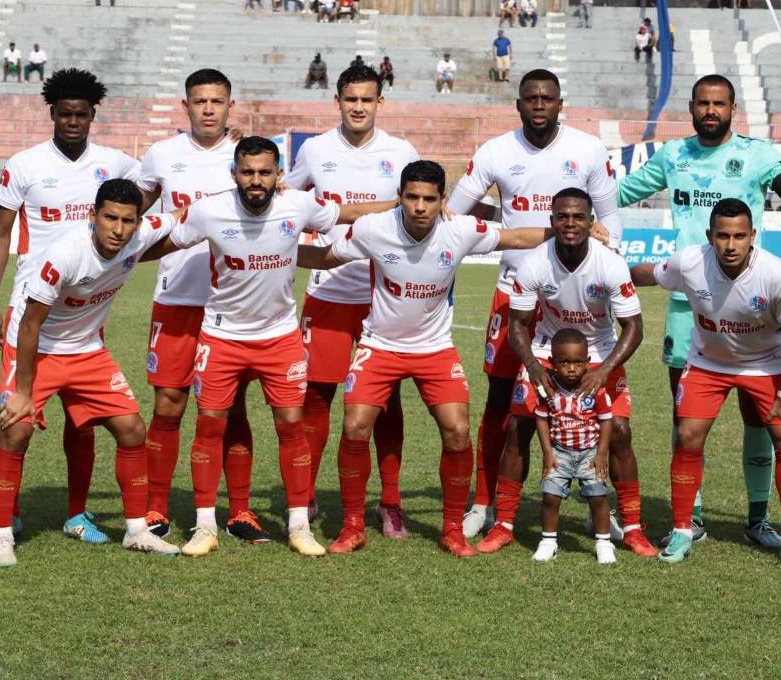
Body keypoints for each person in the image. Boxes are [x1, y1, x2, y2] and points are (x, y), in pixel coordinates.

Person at [145, 137, 394, 558]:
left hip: (280, 338)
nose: (255, 180)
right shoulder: (209, 209)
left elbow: (347, 213)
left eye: (264, 172)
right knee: (210, 426)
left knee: (291, 426)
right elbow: (168, 243)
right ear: (234, 174)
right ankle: (204, 524)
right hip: (222, 337)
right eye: (247, 172)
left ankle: (298, 524)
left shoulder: (298, 205)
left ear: (279, 174)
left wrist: (402, 207)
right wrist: (112, 256)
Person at [295, 160, 554, 557]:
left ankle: (452, 529)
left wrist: (571, 229)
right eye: (412, 197)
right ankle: (352, 526)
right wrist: (267, 251)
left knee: (457, 430)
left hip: (434, 348)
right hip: (379, 345)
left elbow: (517, 237)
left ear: (442, 200)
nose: (419, 206)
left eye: (429, 199)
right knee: (355, 426)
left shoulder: (461, 230)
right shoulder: (373, 228)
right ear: (399, 197)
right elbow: (328, 257)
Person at [615, 74, 781, 549]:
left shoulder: (759, 154)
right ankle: (692, 518)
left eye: (719, 103)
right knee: (687, 421)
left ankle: (758, 519)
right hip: (689, 306)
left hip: (752, 307)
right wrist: (578, 217)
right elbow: (615, 194)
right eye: (703, 103)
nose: (711, 111)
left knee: (758, 418)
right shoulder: (672, 156)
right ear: (692, 107)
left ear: (732, 108)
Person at [448, 70, 635, 545]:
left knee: (605, 412)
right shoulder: (496, 152)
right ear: (518, 104)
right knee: (501, 406)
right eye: (530, 98)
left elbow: (610, 219)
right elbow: (457, 208)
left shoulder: (588, 150)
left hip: (573, 294)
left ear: (559, 103)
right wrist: (513, 226)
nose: (538, 105)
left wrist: (605, 248)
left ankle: (607, 511)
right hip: (515, 290)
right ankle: (485, 506)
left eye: (546, 98)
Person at [0, 179, 185, 567]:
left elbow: (184, 217)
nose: (118, 229)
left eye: (128, 220)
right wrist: (23, 393)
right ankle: (2, 535)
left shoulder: (139, 233)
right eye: (109, 217)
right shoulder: (64, 254)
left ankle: (136, 531)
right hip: (36, 347)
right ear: (92, 216)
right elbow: (29, 326)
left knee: (132, 429)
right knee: (16, 428)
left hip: (87, 349)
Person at [0, 67, 140, 548]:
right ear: (52, 113)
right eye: (65, 113)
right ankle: (4, 520)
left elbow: (143, 210)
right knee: (17, 420)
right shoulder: (24, 164)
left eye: (82, 114)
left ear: (94, 116)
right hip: (31, 310)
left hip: (84, 316)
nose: (73, 121)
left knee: (85, 421)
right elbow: (1, 233)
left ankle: (77, 513)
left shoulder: (117, 164)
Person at [633, 198, 781, 568]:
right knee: (688, 437)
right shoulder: (689, 262)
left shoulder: (776, 274)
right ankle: (683, 529)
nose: (730, 245)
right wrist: (607, 269)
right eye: (722, 236)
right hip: (707, 363)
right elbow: (650, 274)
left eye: (739, 236)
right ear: (709, 236)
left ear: (753, 236)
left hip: (766, 365)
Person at [284, 63, 420, 539]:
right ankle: (304, 496)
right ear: (337, 101)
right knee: (315, 396)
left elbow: (418, 210)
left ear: (380, 103)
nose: (358, 107)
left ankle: (390, 501)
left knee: (386, 403)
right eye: (350, 99)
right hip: (327, 295)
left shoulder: (401, 152)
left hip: (383, 299)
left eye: (367, 99)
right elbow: (287, 198)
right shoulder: (316, 151)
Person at [475, 188, 644, 557]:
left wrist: (604, 372)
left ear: (590, 222)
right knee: (518, 427)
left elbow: (634, 327)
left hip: (599, 353)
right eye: (563, 216)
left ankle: (632, 528)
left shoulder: (610, 263)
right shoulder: (533, 263)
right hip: (545, 351)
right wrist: (534, 367)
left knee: (619, 430)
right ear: (553, 220)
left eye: (579, 216)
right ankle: (503, 524)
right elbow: (518, 324)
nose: (571, 223)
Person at [134, 69, 264, 542]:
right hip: (176, 300)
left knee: (232, 409)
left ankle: (241, 510)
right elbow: (134, 207)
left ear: (232, 106)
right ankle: (155, 507)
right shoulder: (162, 155)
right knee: (168, 406)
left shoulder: (249, 159)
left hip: (233, 305)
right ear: (185, 106)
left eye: (217, 101)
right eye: (199, 101)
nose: (208, 109)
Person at [528, 329, 618, 564]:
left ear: (587, 362)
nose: (571, 368)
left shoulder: (595, 388)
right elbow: (541, 418)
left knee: (598, 498)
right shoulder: (548, 389)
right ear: (552, 362)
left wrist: (601, 454)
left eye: (578, 362)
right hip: (559, 452)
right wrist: (547, 452)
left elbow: (606, 421)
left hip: (590, 454)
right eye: (564, 362)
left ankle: (603, 543)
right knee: (550, 496)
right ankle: (548, 541)